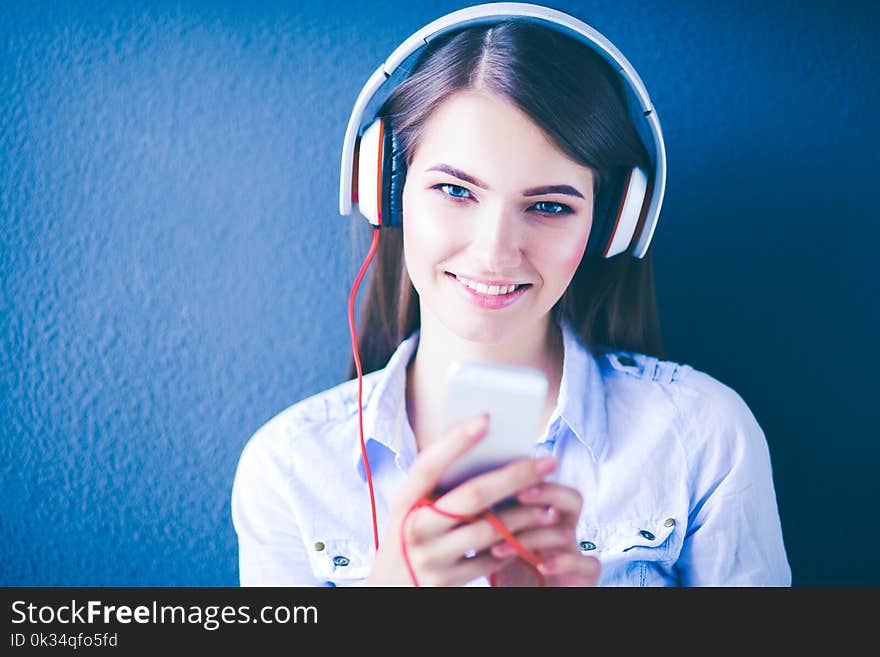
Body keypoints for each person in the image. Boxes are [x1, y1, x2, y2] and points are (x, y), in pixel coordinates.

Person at [231, 8, 791, 587]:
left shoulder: (702, 438)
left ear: (611, 227)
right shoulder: (290, 468)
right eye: (454, 191)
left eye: (549, 205)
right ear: (386, 190)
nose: (495, 253)